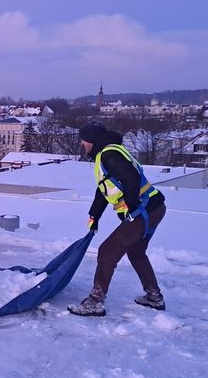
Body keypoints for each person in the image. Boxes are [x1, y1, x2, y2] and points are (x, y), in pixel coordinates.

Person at [68, 123, 167, 317]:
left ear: (91, 140)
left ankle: (95, 301)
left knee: (107, 251)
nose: (81, 143)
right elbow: (104, 190)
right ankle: (154, 296)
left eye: (83, 140)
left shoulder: (108, 154)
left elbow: (130, 178)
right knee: (137, 253)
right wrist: (94, 216)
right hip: (154, 207)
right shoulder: (107, 154)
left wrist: (131, 206)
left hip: (144, 209)